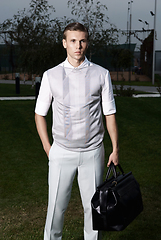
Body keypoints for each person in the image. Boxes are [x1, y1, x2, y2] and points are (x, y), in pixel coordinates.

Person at [35, 22, 119, 240]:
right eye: (73, 41)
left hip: (93, 153)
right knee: (55, 210)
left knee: (94, 211)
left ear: (87, 43)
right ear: (65, 44)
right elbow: (39, 114)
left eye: (82, 40)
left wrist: (115, 148)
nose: (78, 46)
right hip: (61, 152)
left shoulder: (101, 74)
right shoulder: (51, 75)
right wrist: (48, 148)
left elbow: (109, 113)